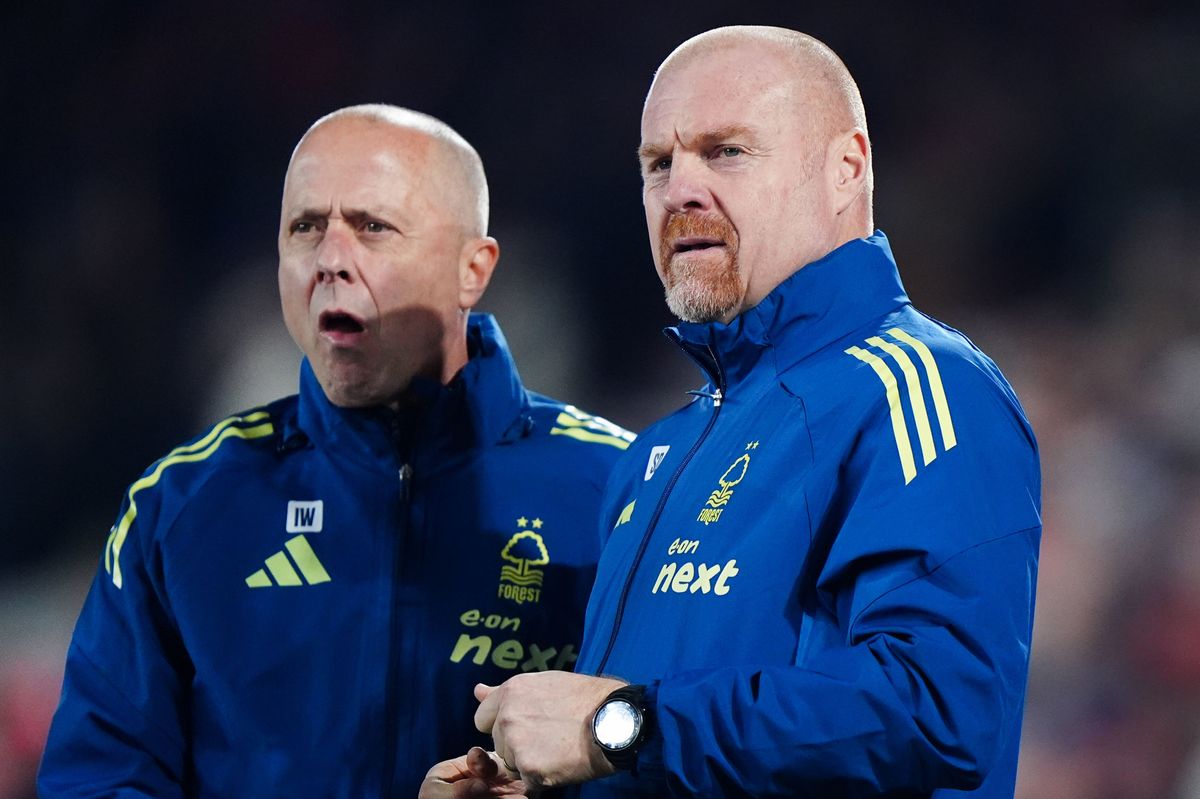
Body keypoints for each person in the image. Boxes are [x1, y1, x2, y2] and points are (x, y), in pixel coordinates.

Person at [422, 25, 1042, 799]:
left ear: (846, 167)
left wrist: (623, 723)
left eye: (727, 152)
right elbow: (647, 752)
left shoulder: (922, 387)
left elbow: (939, 711)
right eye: (658, 163)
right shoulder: (656, 455)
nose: (680, 189)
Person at [38, 104, 633, 797]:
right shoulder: (185, 503)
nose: (329, 260)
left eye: (372, 227)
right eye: (305, 227)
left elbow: (669, 751)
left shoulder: (617, 490)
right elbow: (100, 776)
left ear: (472, 269)